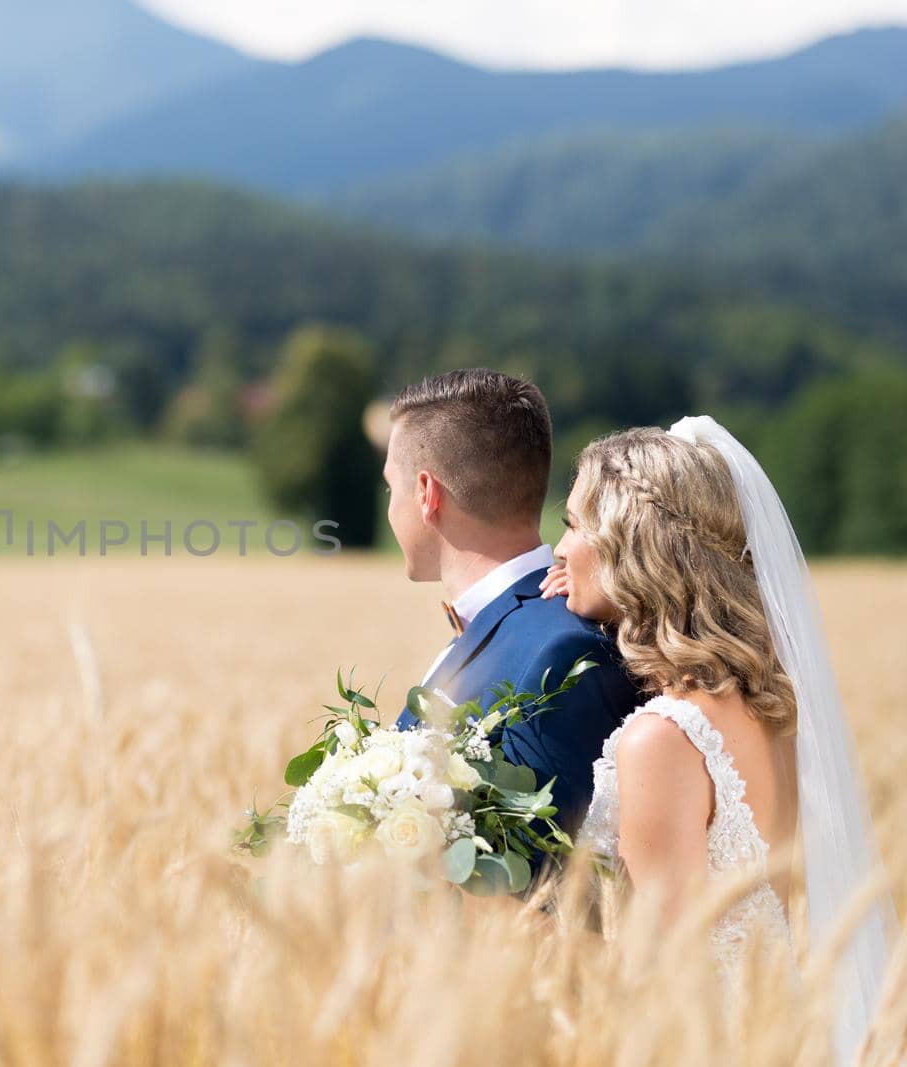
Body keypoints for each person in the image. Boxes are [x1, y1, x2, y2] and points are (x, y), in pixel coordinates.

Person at [543, 417, 897, 1064]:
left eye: (571, 524)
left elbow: (667, 974)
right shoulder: (773, 710)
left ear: (632, 547)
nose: (557, 551)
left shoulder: (663, 740)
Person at [383, 368, 641, 834]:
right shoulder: (516, 624)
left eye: (390, 487)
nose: (389, 506)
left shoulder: (563, 652)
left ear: (426, 494)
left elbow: (551, 875)